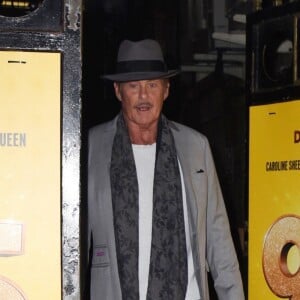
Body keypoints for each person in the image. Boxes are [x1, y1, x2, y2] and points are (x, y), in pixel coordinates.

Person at [87, 39, 245, 300]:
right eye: (133, 85)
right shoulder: (92, 147)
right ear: (118, 91)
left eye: (152, 85)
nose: (143, 96)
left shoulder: (196, 147)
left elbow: (219, 240)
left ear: (166, 90)